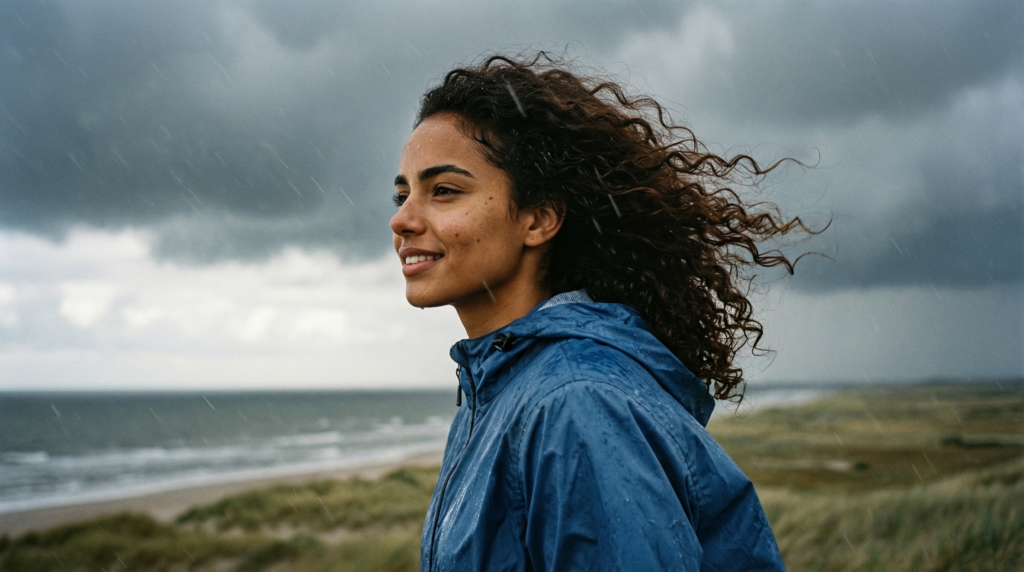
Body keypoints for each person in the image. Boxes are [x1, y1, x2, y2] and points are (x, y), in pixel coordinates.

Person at [391, 53, 809, 572]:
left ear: (539, 219)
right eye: (403, 193)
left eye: (444, 191)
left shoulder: (576, 404)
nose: (402, 219)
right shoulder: (498, 390)